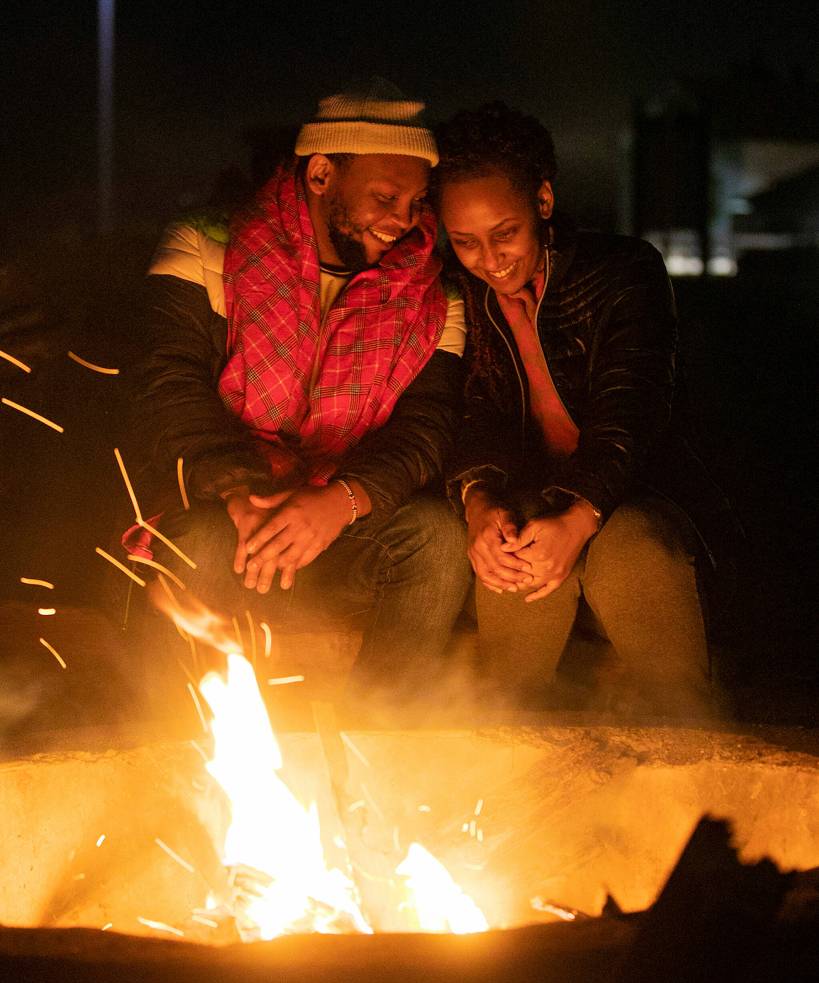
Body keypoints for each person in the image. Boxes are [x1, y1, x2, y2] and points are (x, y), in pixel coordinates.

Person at [124, 80, 471, 693]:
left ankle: (385, 750)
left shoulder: (430, 297)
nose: (404, 221)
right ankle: (168, 748)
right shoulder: (206, 247)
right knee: (199, 539)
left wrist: (342, 502)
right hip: (226, 515)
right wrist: (243, 494)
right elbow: (169, 387)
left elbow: (427, 428)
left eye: (417, 202)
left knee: (435, 537)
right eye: (386, 197)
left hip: (339, 529)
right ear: (319, 175)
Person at [434, 102, 736, 716]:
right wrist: (477, 503)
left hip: (634, 494)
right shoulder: (461, 291)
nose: (489, 260)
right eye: (465, 242)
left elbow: (631, 415)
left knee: (632, 550)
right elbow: (473, 412)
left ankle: (689, 755)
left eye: (505, 233)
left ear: (543, 202)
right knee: (514, 541)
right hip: (532, 495)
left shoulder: (624, 272)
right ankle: (511, 765)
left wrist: (578, 517)